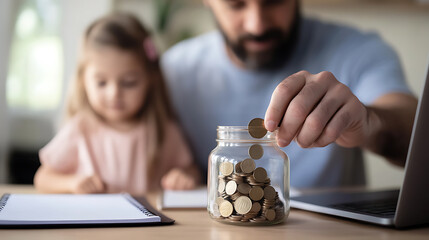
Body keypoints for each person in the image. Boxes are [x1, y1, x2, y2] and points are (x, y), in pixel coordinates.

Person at [161, 0, 418, 188]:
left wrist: (370, 123)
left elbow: (417, 136)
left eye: (274, 1)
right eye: (236, 4)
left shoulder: (358, 51)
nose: (257, 25)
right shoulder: (170, 72)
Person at [34, 12, 200, 195]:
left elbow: (192, 170)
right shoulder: (80, 129)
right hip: (93, 222)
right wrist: (73, 183)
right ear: (83, 81)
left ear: (150, 80)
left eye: (129, 82)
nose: (114, 94)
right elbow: (43, 177)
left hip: (148, 223)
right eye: (101, 83)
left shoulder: (163, 130)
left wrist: (184, 176)